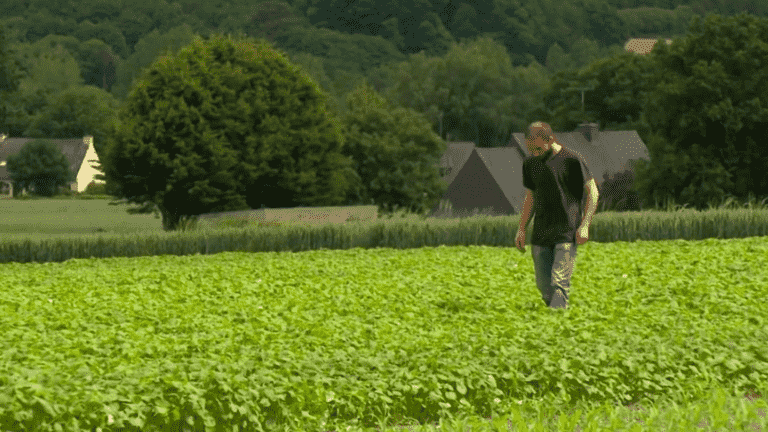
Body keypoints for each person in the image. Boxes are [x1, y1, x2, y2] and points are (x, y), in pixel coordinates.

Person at [515, 121, 599, 309]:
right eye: (530, 149)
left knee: (559, 285)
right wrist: (521, 229)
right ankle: (555, 318)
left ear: (551, 139)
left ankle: (559, 324)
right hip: (541, 234)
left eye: (537, 149)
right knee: (544, 287)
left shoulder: (572, 160)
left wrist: (585, 225)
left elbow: (593, 192)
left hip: (566, 232)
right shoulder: (530, 163)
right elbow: (531, 197)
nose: (534, 153)